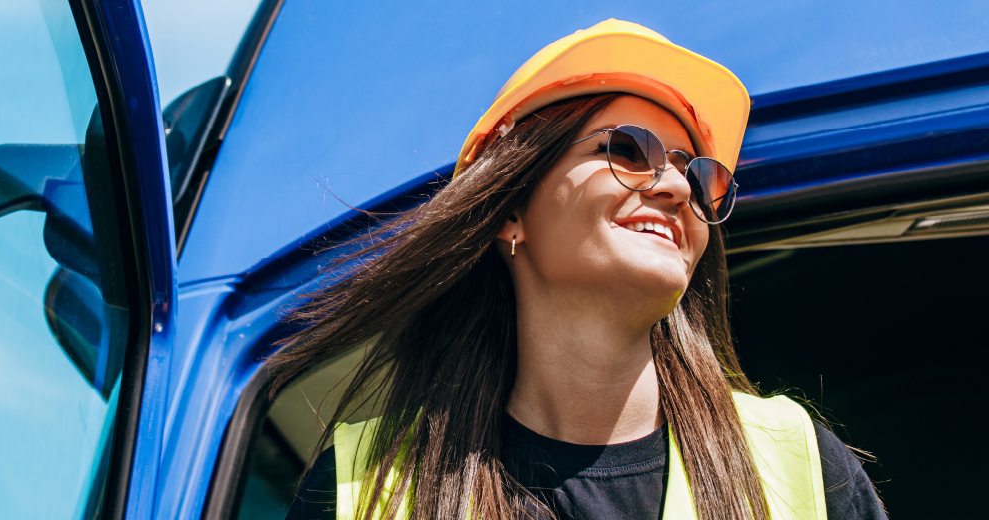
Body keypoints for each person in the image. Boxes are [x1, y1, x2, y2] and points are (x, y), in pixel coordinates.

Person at [266, 19, 887, 520]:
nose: (675, 185)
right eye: (628, 149)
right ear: (511, 208)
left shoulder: (797, 462)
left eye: (700, 175)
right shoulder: (361, 492)